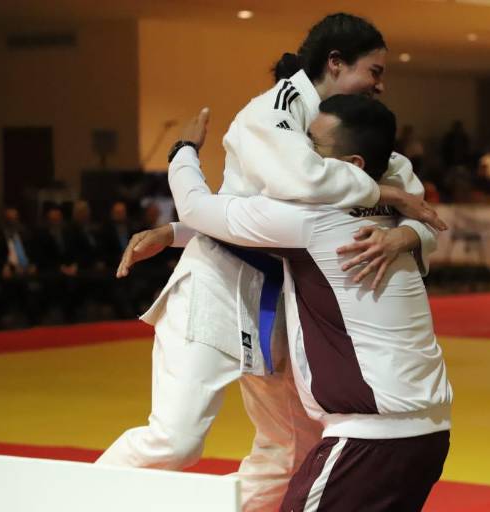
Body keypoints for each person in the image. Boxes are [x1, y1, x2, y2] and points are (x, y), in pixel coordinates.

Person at [97, 13, 445, 511]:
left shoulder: (363, 137)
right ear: (335, 62)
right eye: (374, 71)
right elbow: (296, 194)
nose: (381, 84)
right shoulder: (274, 110)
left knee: (291, 450)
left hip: (285, 298)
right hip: (216, 286)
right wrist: (182, 160)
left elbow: (419, 214)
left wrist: (405, 235)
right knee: (174, 440)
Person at [171, 94, 452, 511]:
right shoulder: (397, 220)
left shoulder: (309, 219)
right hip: (429, 433)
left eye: (313, 147)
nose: (298, 154)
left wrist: (184, 152)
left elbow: (196, 206)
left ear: (353, 167)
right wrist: (172, 234)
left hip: (368, 440)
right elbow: (420, 214)